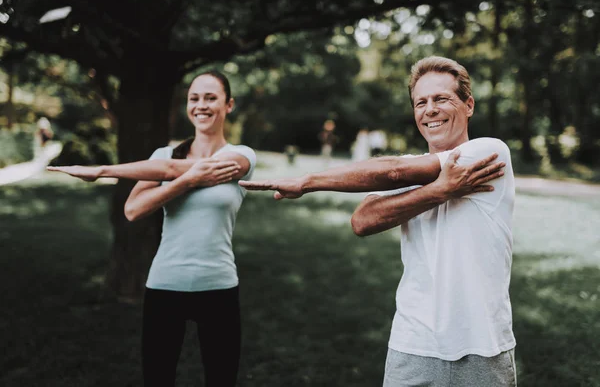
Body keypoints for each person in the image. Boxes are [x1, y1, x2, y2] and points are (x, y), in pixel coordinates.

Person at [240, 56, 516, 386]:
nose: (429, 110)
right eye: (420, 102)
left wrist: (307, 181)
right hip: (412, 343)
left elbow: (393, 172)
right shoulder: (416, 168)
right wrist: (439, 191)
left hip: (481, 345)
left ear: (468, 105)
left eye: (441, 99)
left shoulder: (489, 153)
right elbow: (362, 220)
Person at [48, 70, 257, 387]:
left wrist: (102, 170)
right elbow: (133, 210)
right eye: (194, 98)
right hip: (165, 285)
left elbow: (173, 170)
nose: (201, 105)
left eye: (210, 98)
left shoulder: (241, 157)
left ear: (229, 105)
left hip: (219, 286)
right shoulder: (162, 155)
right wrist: (188, 182)